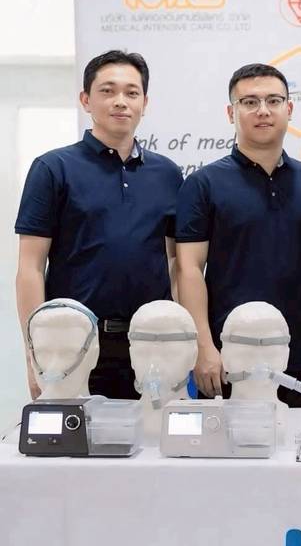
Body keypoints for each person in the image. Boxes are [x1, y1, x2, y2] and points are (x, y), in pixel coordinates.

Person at [15, 49, 182, 400]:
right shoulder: (53, 168)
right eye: (108, 91)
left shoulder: (167, 174)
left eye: (132, 92)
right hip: (73, 345)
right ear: (86, 100)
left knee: (155, 435)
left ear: (144, 103)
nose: (121, 101)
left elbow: (175, 262)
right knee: (76, 435)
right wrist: (35, 353)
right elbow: (30, 267)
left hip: (152, 345)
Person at [175, 63, 301, 407]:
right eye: (250, 102)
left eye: (274, 100)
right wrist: (203, 346)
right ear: (231, 113)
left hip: (296, 356)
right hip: (226, 358)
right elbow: (189, 268)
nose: (263, 110)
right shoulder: (203, 184)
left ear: (289, 109)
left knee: (295, 440)